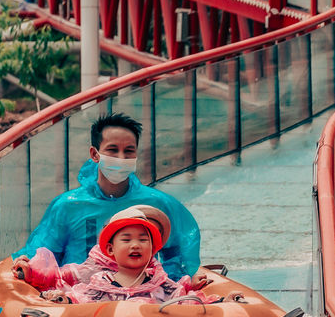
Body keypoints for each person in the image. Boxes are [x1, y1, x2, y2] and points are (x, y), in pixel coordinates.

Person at [13, 113, 200, 280]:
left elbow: (178, 254)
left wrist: (177, 284)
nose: (121, 157)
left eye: (129, 151)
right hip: (77, 297)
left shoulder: (157, 204)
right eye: (112, 150)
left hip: (141, 292)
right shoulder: (68, 206)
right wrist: (29, 266)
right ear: (95, 154)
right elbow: (45, 254)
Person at [13, 206, 240, 305]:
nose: (136, 245)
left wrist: (216, 300)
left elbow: (183, 301)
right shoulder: (97, 279)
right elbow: (73, 291)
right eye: (127, 239)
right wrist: (36, 276)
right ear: (110, 248)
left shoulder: (160, 281)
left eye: (144, 240)